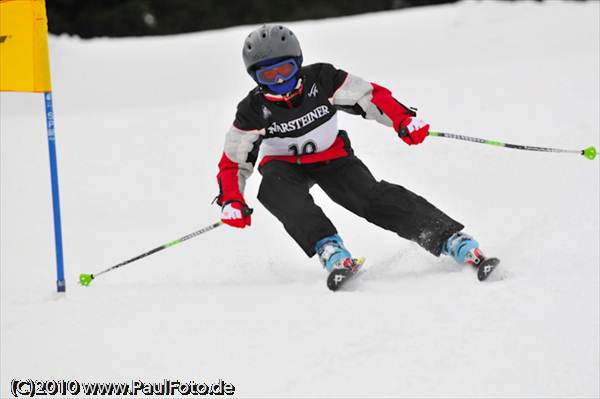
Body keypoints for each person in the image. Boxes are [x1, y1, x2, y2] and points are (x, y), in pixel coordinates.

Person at [215, 24, 494, 286]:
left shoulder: (323, 80)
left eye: (285, 69)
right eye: (267, 75)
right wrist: (232, 199)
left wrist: (402, 120)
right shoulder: (252, 110)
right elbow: (233, 161)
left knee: (370, 198)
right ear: (254, 76)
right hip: (284, 166)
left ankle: (452, 240)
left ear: (298, 62)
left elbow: (370, 97)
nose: (279, 80)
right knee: (275, 191)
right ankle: (330, 249)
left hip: (332, 158)